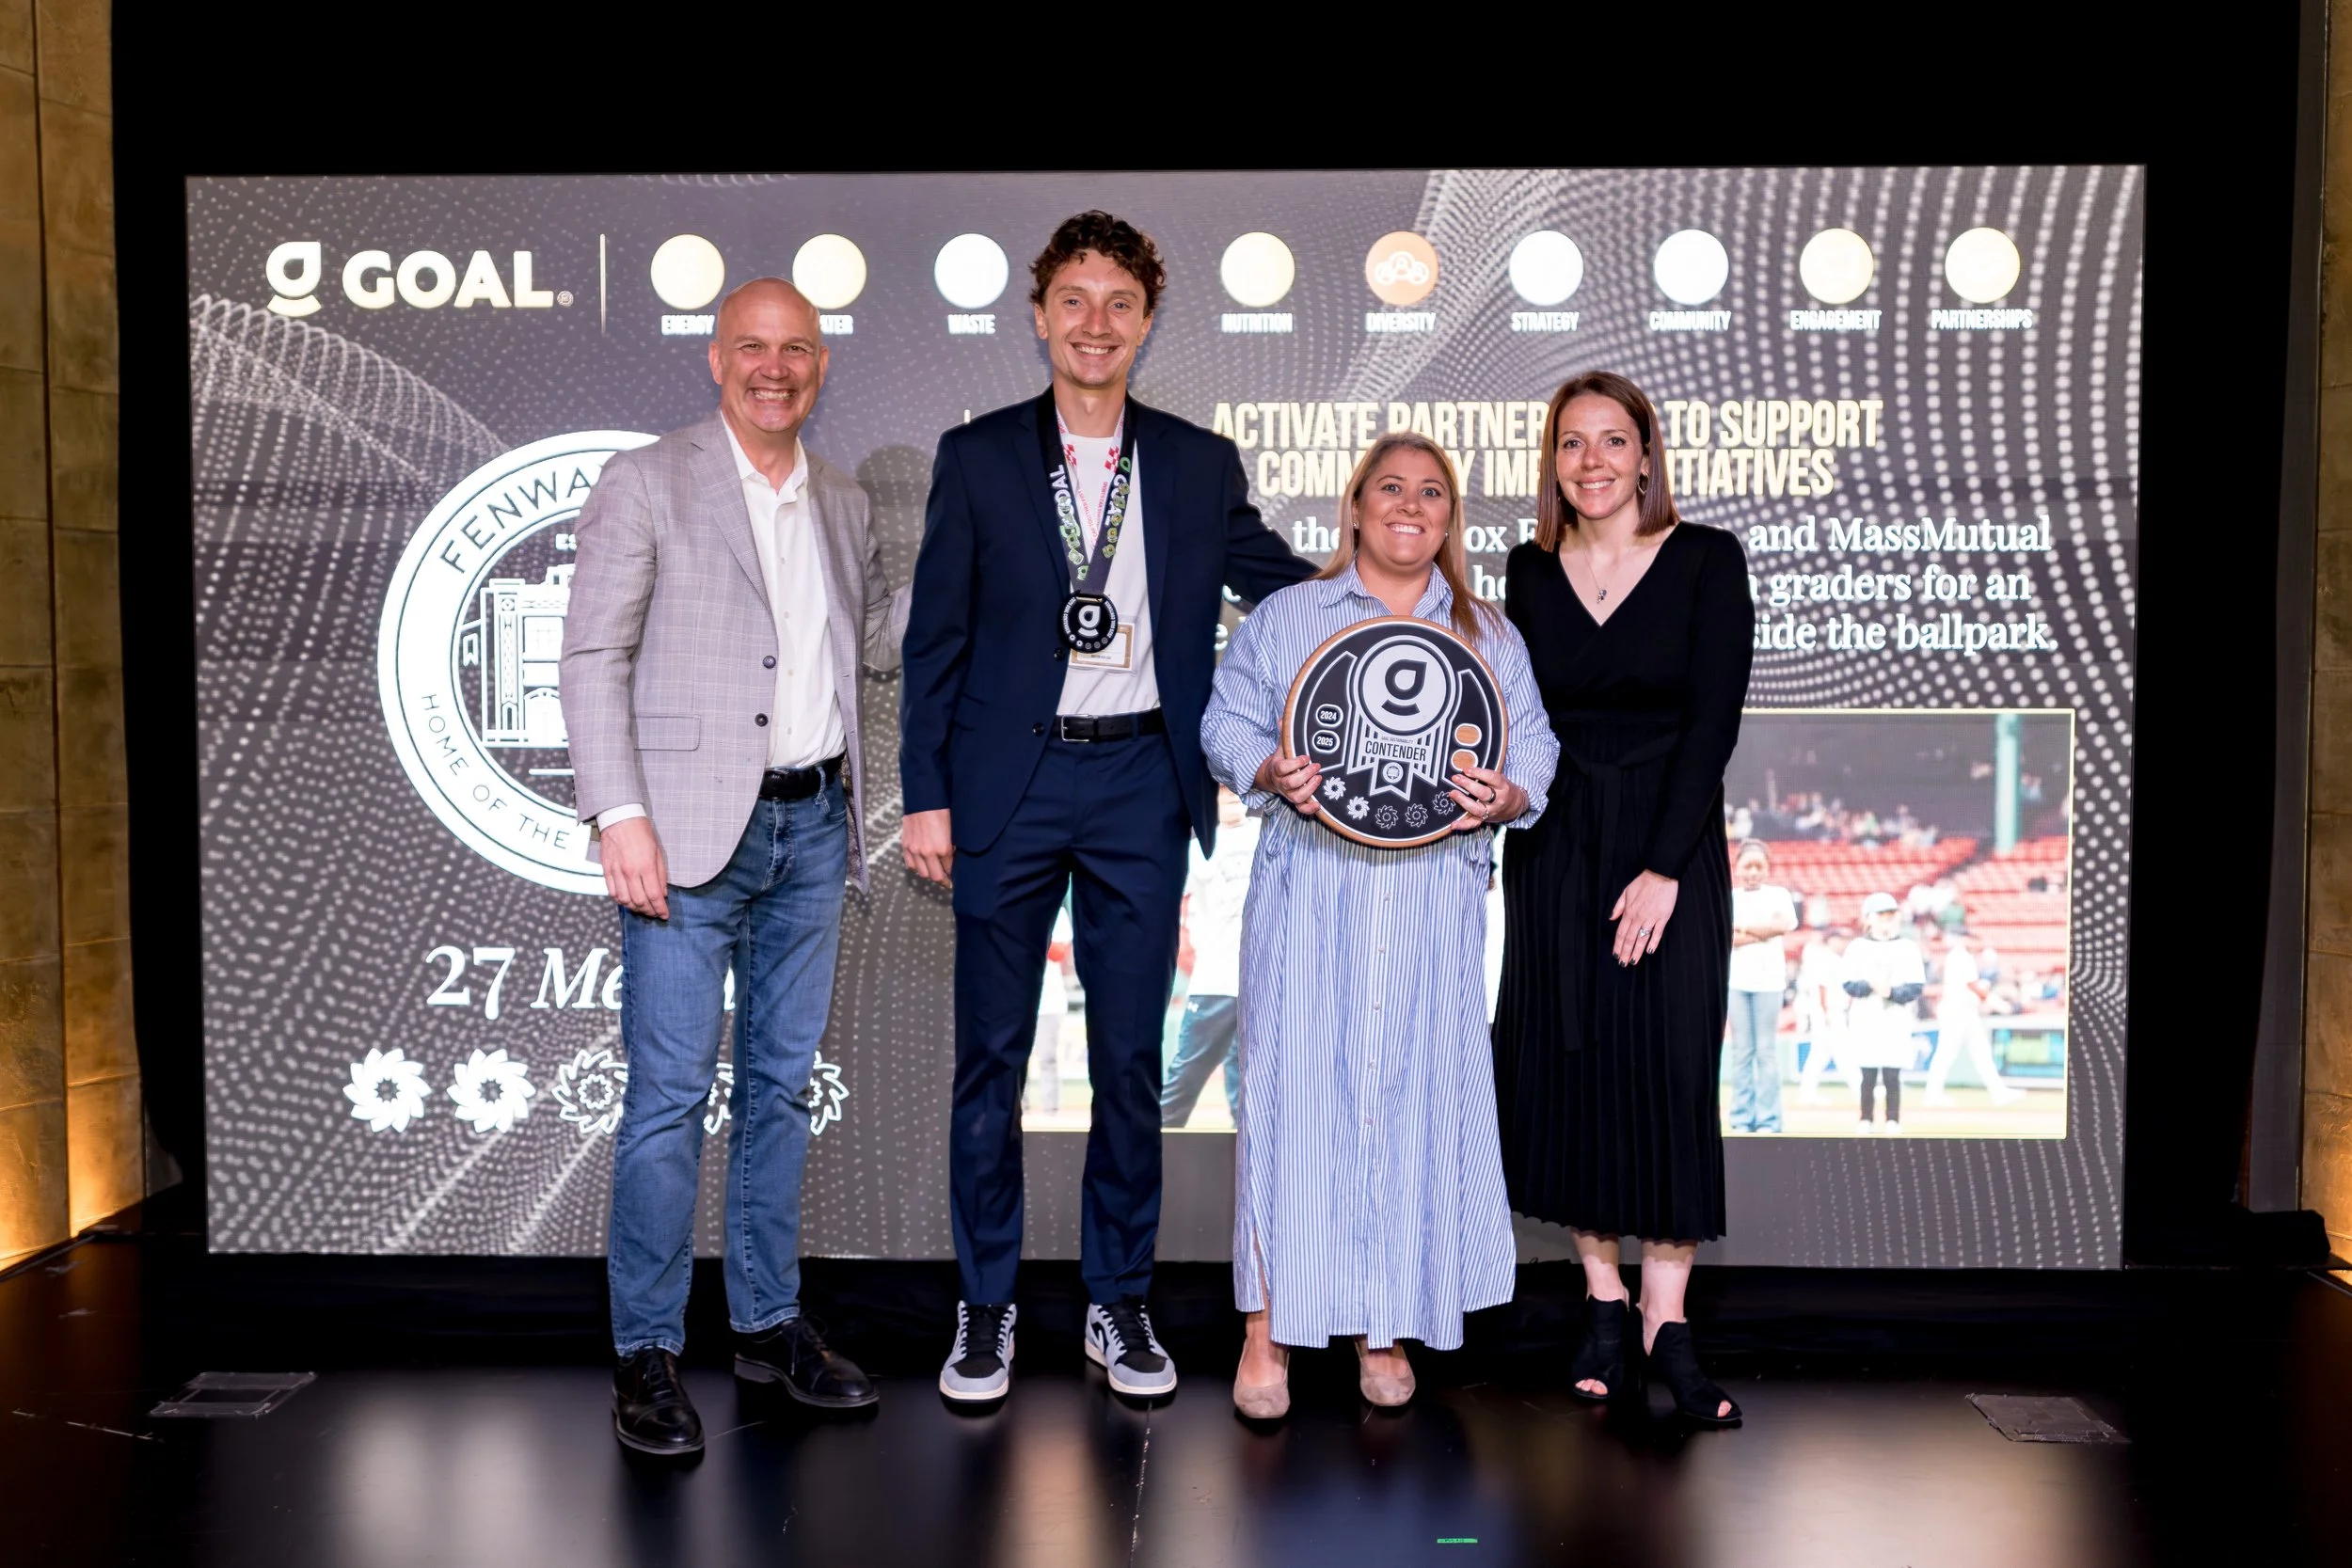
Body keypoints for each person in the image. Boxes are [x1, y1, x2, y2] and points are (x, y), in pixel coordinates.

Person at [899, 212, 1315, 1403]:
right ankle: (983, 1310)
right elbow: (936, 642)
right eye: (1073, 299)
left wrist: (1403, 600)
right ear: (1039, 315)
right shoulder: (977, 457)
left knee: (1128, 1064)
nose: (1095, 322)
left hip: (1141, 778)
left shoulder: (1192, 460)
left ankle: (1116, 1301)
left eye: (1118, 302)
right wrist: (926, 793)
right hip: (1005, 788)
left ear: (1146, 320)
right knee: (992, 1057)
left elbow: (1277, 585)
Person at [562, 278, 905, 1455]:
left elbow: (867, 648)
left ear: (820, 366)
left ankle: (765, 1324)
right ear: (716, 360)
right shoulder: (647, 481)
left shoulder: (847, 502)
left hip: (812, 831)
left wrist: (987, 578)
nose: (776, 367)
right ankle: (646, 1353)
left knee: (779, 1091)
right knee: (665, 1101)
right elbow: (592, 654)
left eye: (796, 349)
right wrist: (618, 813)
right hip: (685, 837)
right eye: (753, 348)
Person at [1200, 432, 1558, 1418]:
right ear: (1353, 505)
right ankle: (1264, 1330)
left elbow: (1534, 745)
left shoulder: (1487, 632)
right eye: (1390, 488)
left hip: (1432, 913)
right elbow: (1223, 720)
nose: (1411, 505)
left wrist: (1507, 789)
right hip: (1309, 899)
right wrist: (1268, 767)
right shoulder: (1288, 616)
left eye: (1432, 492)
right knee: (1287, 1111)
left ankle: (1383, 1325)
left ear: (1449, 518)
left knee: (1410, 1107)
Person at [1491, 370, 1752, 1426]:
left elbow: (1712, 723)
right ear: (1551, 462)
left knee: (1667, 1069)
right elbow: (1517, 715)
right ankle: (1602, 1304)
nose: (1590, 461)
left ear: (1646, 454)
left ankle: (1667, 1321)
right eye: (1570, 444)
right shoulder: (1525, 568)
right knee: (1572, 1068)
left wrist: (1660, 867)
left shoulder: (1703, 559)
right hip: (1556, 845)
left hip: (1667, 843)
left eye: (1611, 441)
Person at [1161, 787, 1257, 1130]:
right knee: (1187, 1071)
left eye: (1237, 787)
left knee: (1247, 1083)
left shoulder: (1268, 838)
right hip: (1215, 977)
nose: (1231, 794)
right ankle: (1156, 1150)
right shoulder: (1196, 848)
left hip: (1260, 982)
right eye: (1221, 788)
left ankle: (1246, 1167)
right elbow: (1179, 914)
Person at [1725, 840, 1797, 1133]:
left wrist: (1744, 928)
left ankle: (1769, 1120)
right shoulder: (1728, 896)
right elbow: (1724, 937)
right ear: (1738, 868)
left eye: (1759, 866)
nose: (1753, 872)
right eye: (1747, 866)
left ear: (1767, 869)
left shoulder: (1778, 895)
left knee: (1766, 1051)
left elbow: (1783, 925)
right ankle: (1742, 1119)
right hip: (1735, 983)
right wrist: (1763, 930)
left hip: (1769, 983)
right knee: (1742, 1052)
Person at [1843, 892, 1928, 1132]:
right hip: (1866, 1015)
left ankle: (1893, 1119)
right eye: (1881, 915)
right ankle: (1865, 1118)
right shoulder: (1858, 947)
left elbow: (1915, 987)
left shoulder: (1908, 948)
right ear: (1869, 918)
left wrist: (1891, 992)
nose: (1886, 920)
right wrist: (1870, 985)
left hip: (1895, 1016)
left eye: (1891, 915)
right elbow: (1849, 983)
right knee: (1867, 1072)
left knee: (1892, 1072)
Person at [1925, 931, 2022, 1105]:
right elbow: (1972, 985)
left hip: (1967, 1012)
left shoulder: (1962, 956)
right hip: (1956, 1012)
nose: (1977, 945)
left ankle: (1998, 1093)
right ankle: (1932, 1093)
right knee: (1946, 1054)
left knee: (1982, 1054)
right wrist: (1997, 1003)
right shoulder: (1961, 956)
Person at [1795, 928, 1856, 1104]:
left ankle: (1806, 1092)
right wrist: (1826, 1012)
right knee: (1842, 1052)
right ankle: (1860, 1088)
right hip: (1829, 1012)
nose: (1844, 942)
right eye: (1841, 939)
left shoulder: (1835, 960)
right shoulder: (1825, 959)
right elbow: (1822, 988)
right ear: (1831, 940)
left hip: (1832, 1011)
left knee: (1820, 1055)